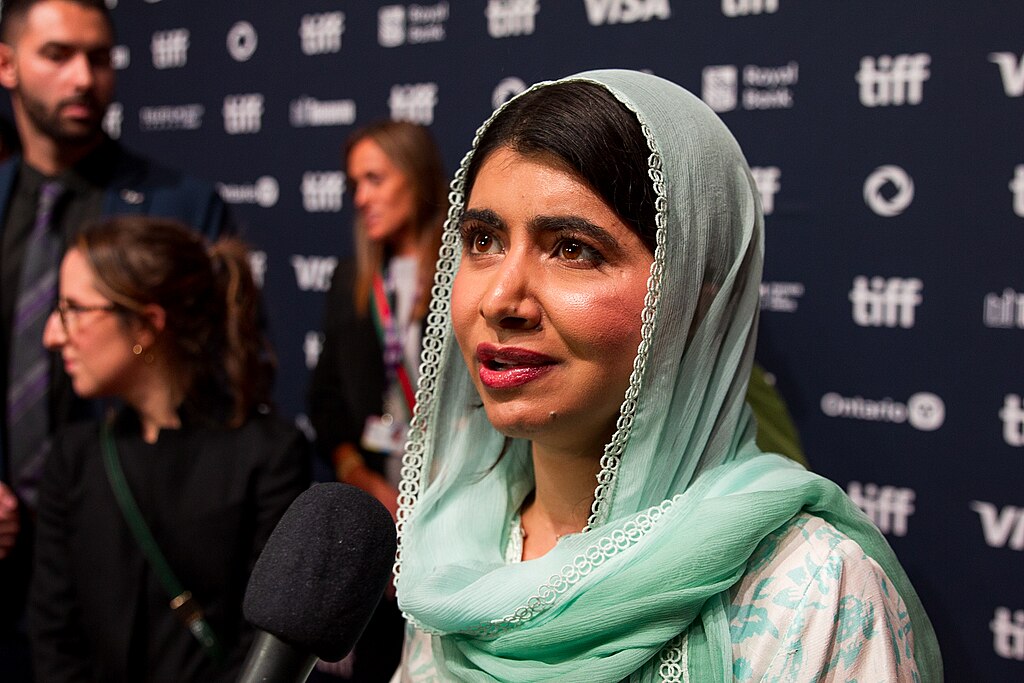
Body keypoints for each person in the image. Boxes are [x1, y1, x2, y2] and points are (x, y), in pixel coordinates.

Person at [389, 70, 943, 681]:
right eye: (483, 240)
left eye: (572, 248)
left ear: (692, 300)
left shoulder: (809, 588)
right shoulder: (448, 554)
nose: (500, 298)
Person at [0, 1, 234, 672]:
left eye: (100, 58)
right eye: (58, 55)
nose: (83, 78)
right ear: (7, 63)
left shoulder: (182, 207)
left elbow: (223, 384)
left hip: (130, 583)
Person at [28, 217, 309, 682]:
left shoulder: (269, 457)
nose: (53, 335)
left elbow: (262, 650)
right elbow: (55, 639)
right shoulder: (73, 459)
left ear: (145, 325)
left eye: (73, 309)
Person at [308, 120, 446, 681]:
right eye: (353, 184)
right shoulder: (352, 279)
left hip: (454, 502)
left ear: (415, 177)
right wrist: (365, 484)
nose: (361, 197)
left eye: (374, 179)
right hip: (379, 505)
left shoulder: (470, 270)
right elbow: (325, 400)